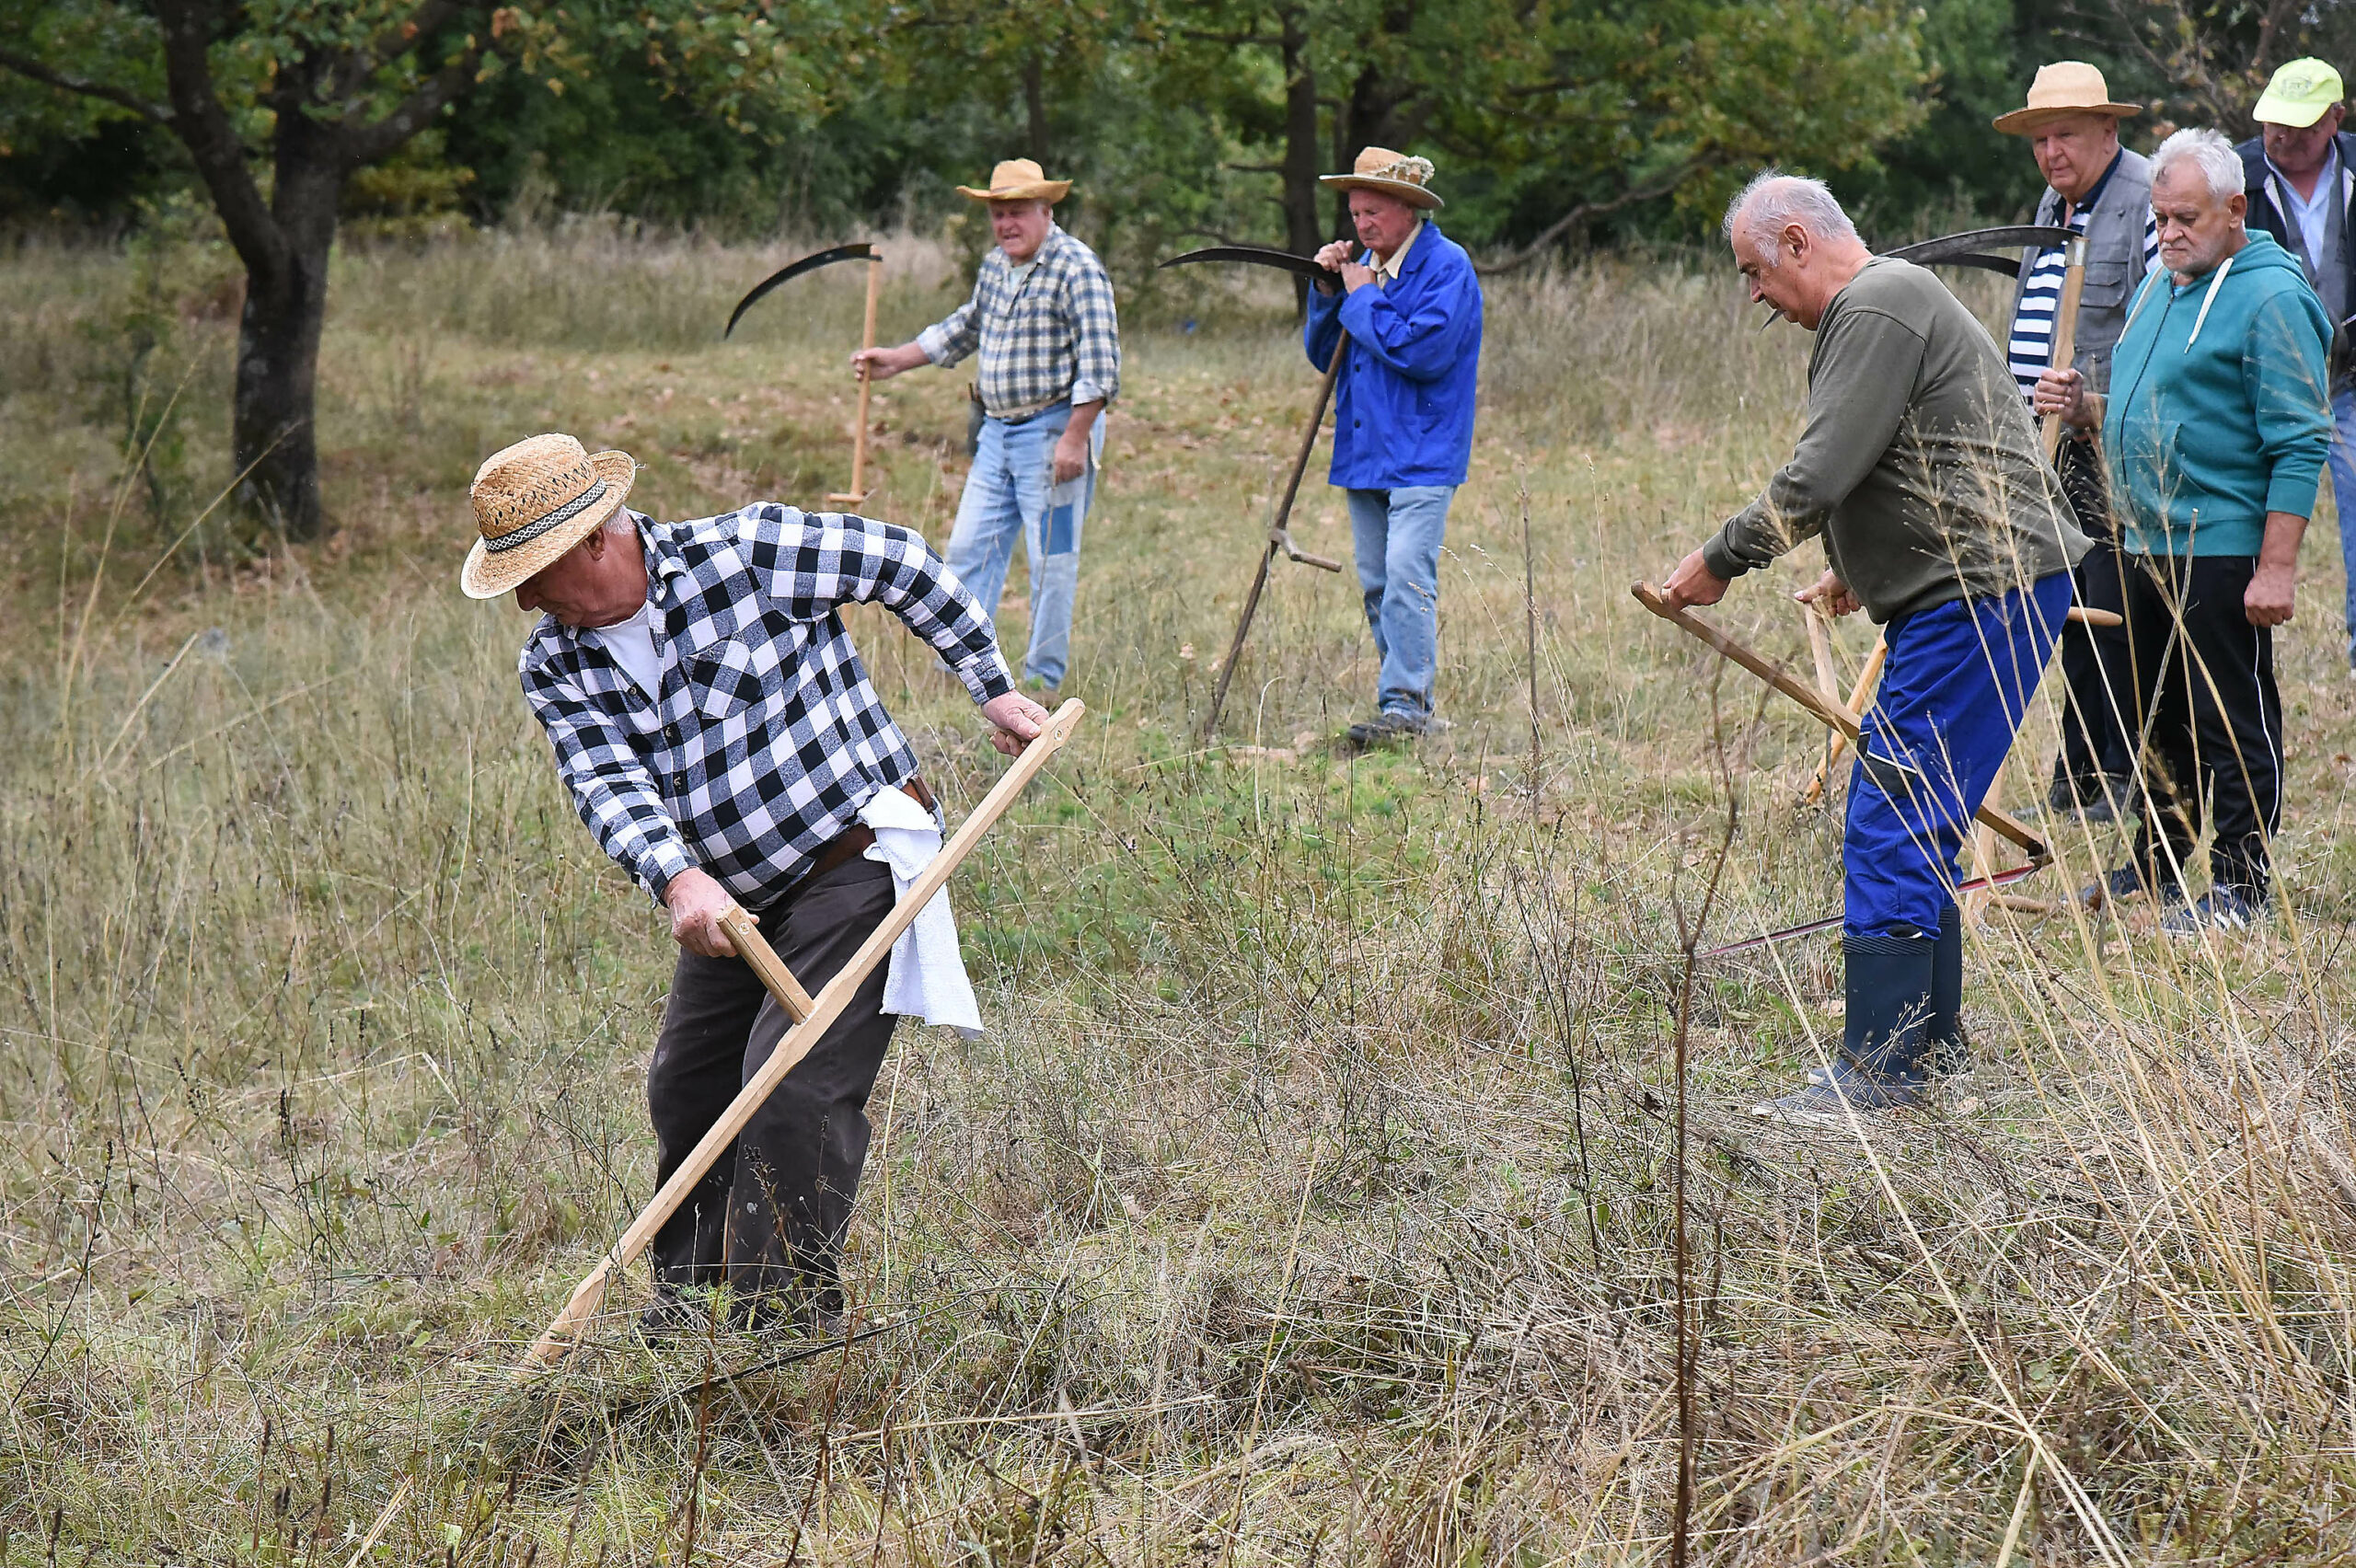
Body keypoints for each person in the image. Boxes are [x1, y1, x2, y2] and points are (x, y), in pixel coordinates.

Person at [458, 432, 1050, 1332]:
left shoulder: (745, 553)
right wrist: (677, 877)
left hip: (849, 854)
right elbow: (605, 781)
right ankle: (689, 1319)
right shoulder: (555, 663)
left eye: (536, 574)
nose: (529, 600)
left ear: (596, 542)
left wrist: (990, 687)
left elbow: (901, 562)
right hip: (730, 902)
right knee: (687, 1089)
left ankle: (778, 1328)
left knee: (793, 1085)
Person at [1661, 173, 2087, 1126]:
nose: (1756, 296)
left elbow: (1819, 470)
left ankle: (1883, 1070)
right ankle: (1926, 1055)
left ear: (1797, 242)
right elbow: (1917, 449)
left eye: (1755, 272)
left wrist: (1721, 558)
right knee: (1920, 809)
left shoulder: (1878, 302)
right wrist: (1868, 563)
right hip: (1985, 585)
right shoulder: (1891, 303)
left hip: (1980, 593)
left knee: (1892, 814)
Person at [2037, 129, 2332, 935]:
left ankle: (2240, 885)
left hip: (2220, 542)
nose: (2167, 234)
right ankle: (2159, 861)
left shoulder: (2272, 298)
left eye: (2185, 219)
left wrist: (2275, 568)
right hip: (2139, 538)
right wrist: (2085, 410)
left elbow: (2300, 439)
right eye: (2160, 218)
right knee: (2154, 710)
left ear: (2236, 210)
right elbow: (2153, 406)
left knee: (2226, 715)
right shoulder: (2160, 284)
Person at [853, 158, 1120, 696]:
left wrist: (1074, 438)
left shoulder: (1076, 267)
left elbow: (1101, 364)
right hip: (996, 434)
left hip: (1054, 435)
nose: (1006, 225)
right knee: (969, 551)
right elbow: (965, 327)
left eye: (1017, 212)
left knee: (1053, 562)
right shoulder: (996, 266)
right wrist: (897, 360)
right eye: (998, 214)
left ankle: (1043, 682)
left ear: (1046, 210)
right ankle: (960, 672)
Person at [1992, 62, 2157, 820]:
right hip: (2047, 444)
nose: (2051, 152)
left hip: (2113, 444)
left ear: (2109, 131)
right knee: (2066, 605)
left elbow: (2166, 336)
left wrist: (2097, 404)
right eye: (2039, 139)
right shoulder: (2057, 204)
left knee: (2114, 606)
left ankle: (2121, 773)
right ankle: (2081, 769)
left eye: (2065, 135)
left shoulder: (2149, 199)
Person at [1305, 147, 1484, 748]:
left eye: (1374, 211)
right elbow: (1323, 354)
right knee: (1378, 579)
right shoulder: (1366, 268)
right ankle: (1405, 703)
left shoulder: (1445, 266)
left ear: (1408, 210)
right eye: (1355, 213)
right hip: (1365, 450)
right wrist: (1329, 291)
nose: (1362, 224)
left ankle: (1406, 703)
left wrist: (1359, 296)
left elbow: (1422, 352)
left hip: (1424, 452)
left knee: (1408, 572)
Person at [2237, 59, 2356, 677]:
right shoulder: (2234, 177)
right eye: (2273, 123)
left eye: (2301, 125)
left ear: (2336, 118)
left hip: (2349, 381)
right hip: (2261, 385)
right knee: (2240, 508)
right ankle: (2237, 646)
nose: (2283, 135)